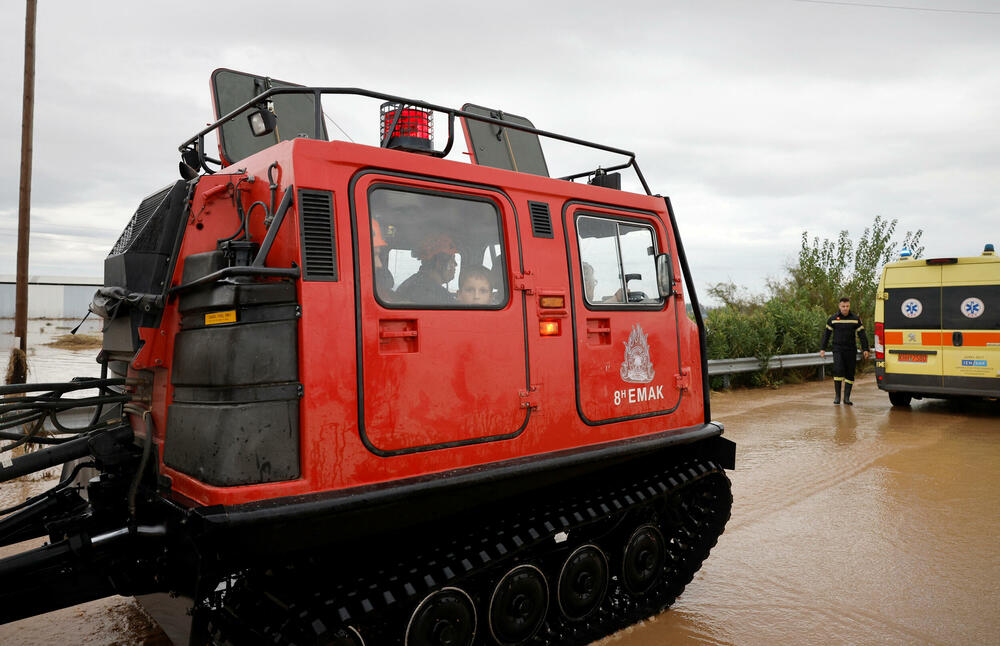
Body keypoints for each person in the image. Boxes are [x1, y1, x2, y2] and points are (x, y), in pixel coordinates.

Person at [820, 297, 870, 405]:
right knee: (838, 370)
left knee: (850, 373)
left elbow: (862, 335)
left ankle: (846, 398)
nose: (845, 308)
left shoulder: (855, 319)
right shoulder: (833, 319)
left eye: (847, 306)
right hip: (838, 349)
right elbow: (826, 335)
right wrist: (822, 348)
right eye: (843, 306)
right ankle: (837, 397)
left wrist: (865, 349)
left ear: (849, 306)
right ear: (839, 306)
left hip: (851, 350)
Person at [395, 234, 457, 305]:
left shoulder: (410, 283)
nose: (455, 264)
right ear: (439, 263)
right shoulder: (438, 295)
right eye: (452, 259)